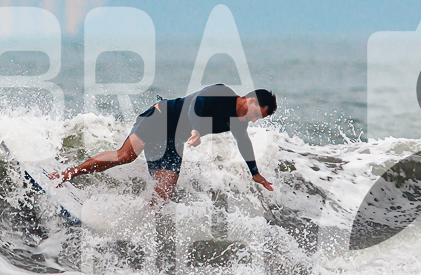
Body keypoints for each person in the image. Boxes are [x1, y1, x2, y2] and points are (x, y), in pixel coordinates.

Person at [52, 84, 277, 203]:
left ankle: (136, 233)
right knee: (125, 156)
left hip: (174, 139)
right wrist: (197, 129)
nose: (255, 120)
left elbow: (243, 142)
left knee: (163, 195)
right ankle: (65, 174)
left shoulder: (239, 122)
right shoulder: (222, 92)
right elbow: (196, 105)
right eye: (258, 113)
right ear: (251, 100)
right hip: (161, 117)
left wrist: (255, 173)